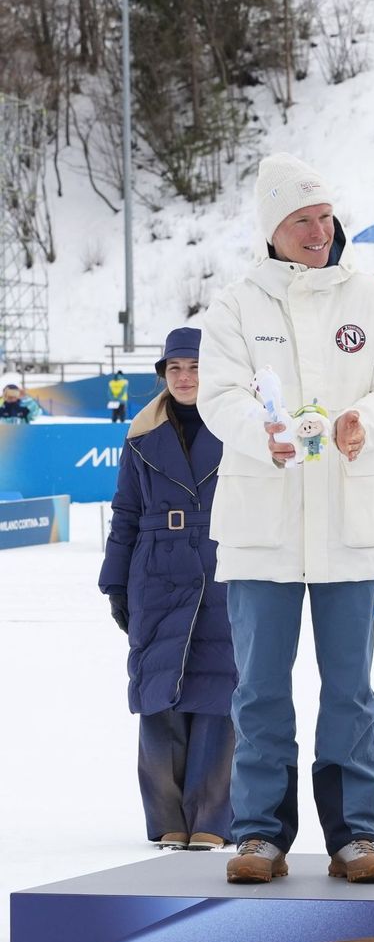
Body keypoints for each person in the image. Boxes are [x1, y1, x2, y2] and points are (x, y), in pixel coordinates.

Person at [197, 152, 374, 885]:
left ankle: (356, 834)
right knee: (260, 689)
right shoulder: (236, 304)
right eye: (302, 221)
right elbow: (219, 395)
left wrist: (366, 420)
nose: (319, 231)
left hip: (351, 524)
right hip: (264, 525)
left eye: (325, 217)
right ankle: (259, 834)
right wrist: (256, 434)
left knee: (351, 690)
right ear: (273, 229)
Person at [99, 327, 236, 852]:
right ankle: (165, 818)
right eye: (175, 368)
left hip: (222, 565)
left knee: (218, 691)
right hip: (155, 571)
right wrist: (115, 581)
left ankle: (212, 818)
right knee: (159, 694)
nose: (184, 377)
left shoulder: (239, 427)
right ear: (163, 375)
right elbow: (126, 512)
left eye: (195, 367)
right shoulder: (140, 435)